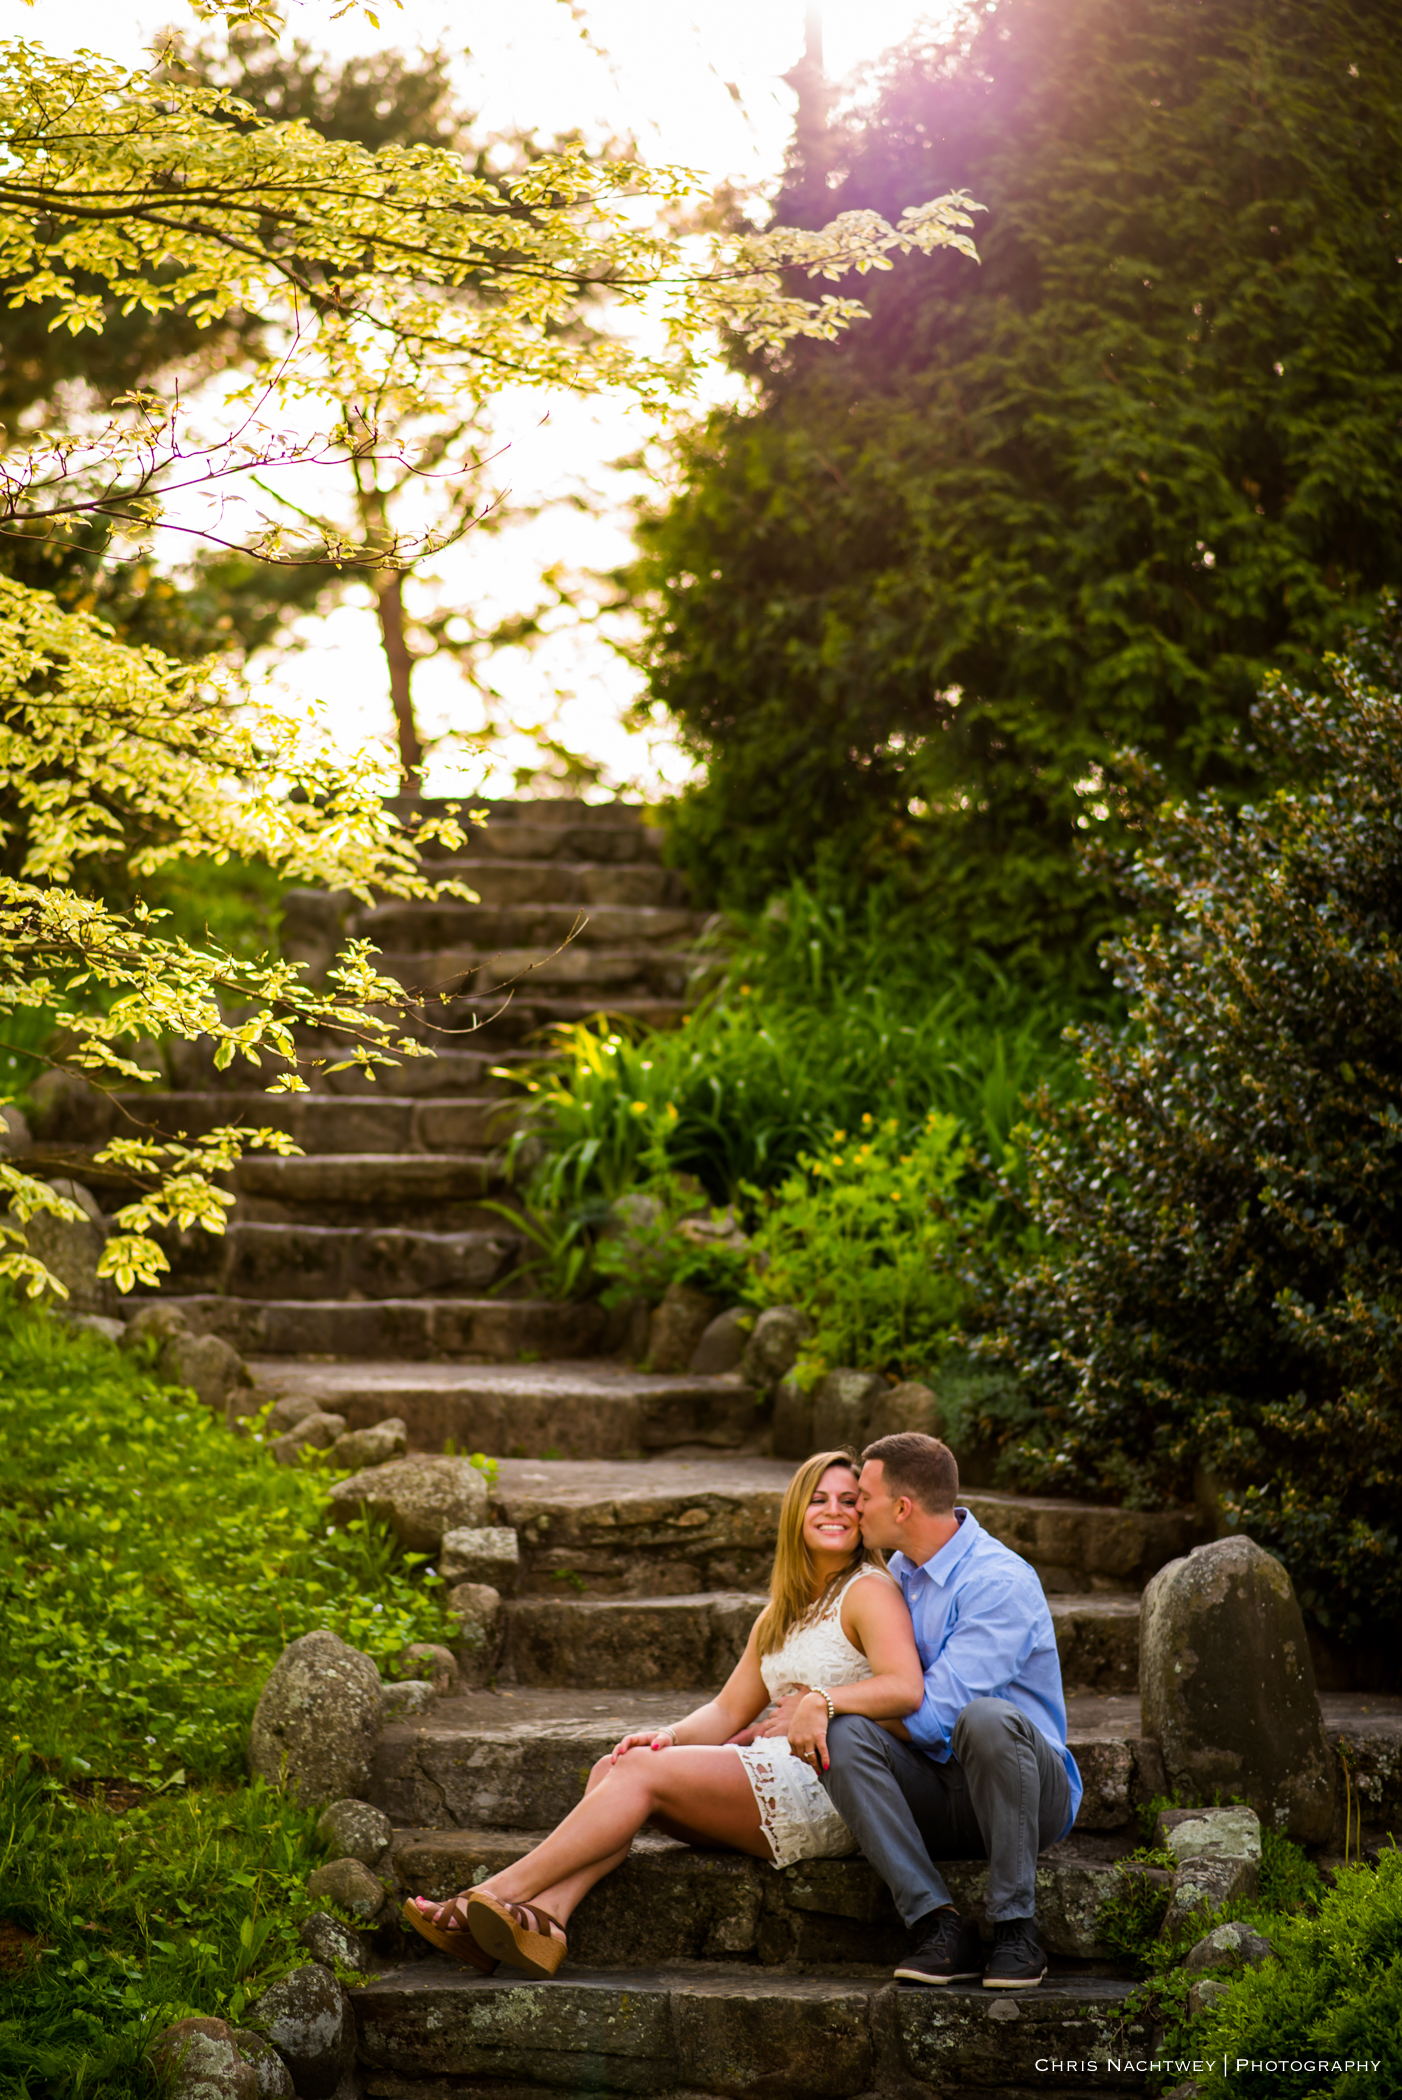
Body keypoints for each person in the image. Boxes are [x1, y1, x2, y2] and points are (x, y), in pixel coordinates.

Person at [403, 1447, 925, 1978]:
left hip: (830, 1786)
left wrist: (823, 1702)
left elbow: (905, 1688)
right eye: (818, 1500)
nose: (834, 1510)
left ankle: (492, 1893)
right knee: (614, 1767)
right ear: (796, 1513)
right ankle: (548, 1918)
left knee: (639, 1775)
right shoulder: (780, 1611)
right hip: (772, 1773)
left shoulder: (868, 1592)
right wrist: (667, 1735)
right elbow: (726, 1710)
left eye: (848, 1500)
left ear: (865, 1515)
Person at [820, 1430, 1083, 1991]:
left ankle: (1016, 1927)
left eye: (863, 1495)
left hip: (1026, 1794)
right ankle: (938, 1923)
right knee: (843, 1735)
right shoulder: (899, 1572)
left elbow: (934, 1714)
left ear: (902, 1506)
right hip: (940, 1793)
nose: (853, 1505)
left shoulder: (998, 1582)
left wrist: (821, 1701)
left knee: (983, 1718)